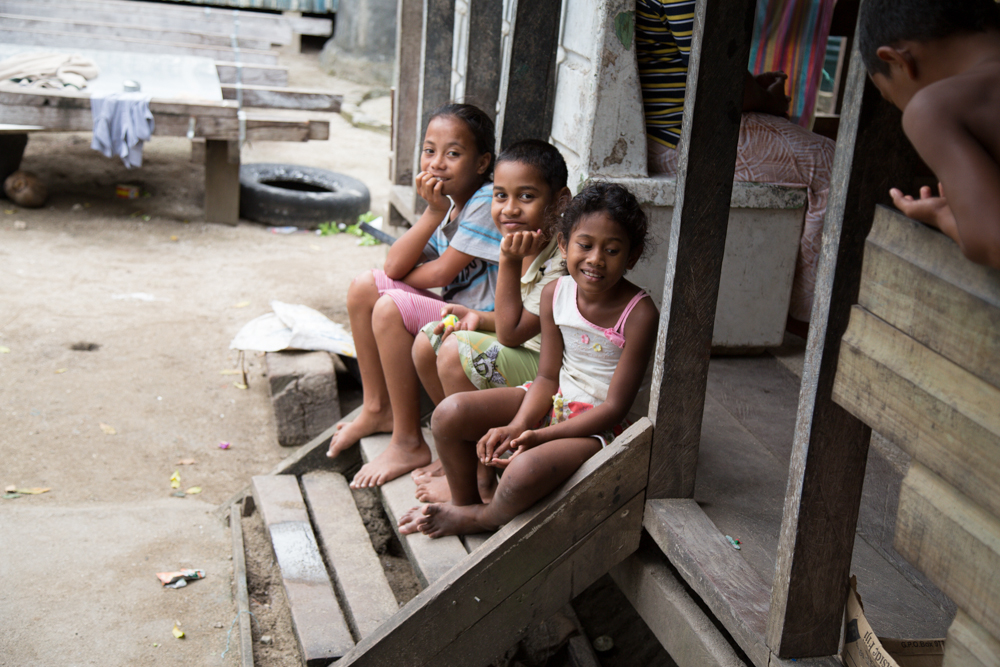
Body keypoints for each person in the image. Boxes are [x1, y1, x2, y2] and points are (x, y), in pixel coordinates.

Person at [398, 182, 659, 538]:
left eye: (612, 250)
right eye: (585, 245)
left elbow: (614, 408)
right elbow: (548, 376)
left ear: (632, 255)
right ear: (564, 244)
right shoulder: (556, 293)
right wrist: (519, 424)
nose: (596, 259)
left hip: (599, 428)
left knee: (522, 469)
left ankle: (484, 518)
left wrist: (538, 436)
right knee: (449, 414)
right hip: (555, 400)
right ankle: (464, 502)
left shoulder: (639, 313)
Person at [327, 103, 500, 489]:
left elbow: (440, 272)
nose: (437, 163)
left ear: (481, 162)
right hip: (456, 314)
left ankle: (408, 441)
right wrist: (431, 214)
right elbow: (393, 267)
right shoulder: (449, 207)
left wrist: (408, 271)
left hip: (485, 325)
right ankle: (377, 408)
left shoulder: (487, 202)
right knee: (363, 287)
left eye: (453, 153)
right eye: (429, 150)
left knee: (390, 306)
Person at [635, 0, 836, 329]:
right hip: (681, 138)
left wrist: (753, 88)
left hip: (661, 134)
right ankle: (804, 315)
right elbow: (722, 81)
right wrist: (766, 98)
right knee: (832, 165)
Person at [409, 140, 572, 503]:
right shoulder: (524, 241)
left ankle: (482, 476)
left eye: (526, 196)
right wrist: (475, 316)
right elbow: (517, 320)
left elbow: (514, 332)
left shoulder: (560, 259)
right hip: (522, 351)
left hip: (549, 373)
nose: (509, 209)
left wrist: (509, 262)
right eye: (500, 195)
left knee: (454, 353)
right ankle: (463, 460)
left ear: (560, 202)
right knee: (427, 342)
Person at [859, 0, 1000, 270]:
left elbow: (994, 242)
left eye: (890, 98)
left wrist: (944, 215)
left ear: (899, 61)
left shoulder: (931, 108)